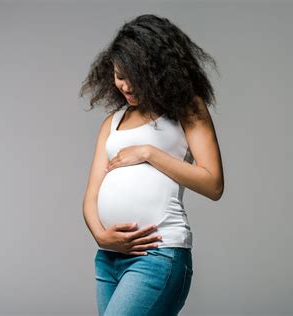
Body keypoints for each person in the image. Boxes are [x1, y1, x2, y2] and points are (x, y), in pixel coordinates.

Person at [79, 14, 224, 316]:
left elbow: (213, 184)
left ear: (157, 72)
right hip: (108, 257)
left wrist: (148, 152)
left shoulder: (187, 110)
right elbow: (91, 193)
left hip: (158, 255)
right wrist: (100, 234)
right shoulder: (112, 123)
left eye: (134, 77)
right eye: (119, 75)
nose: (125, 85)